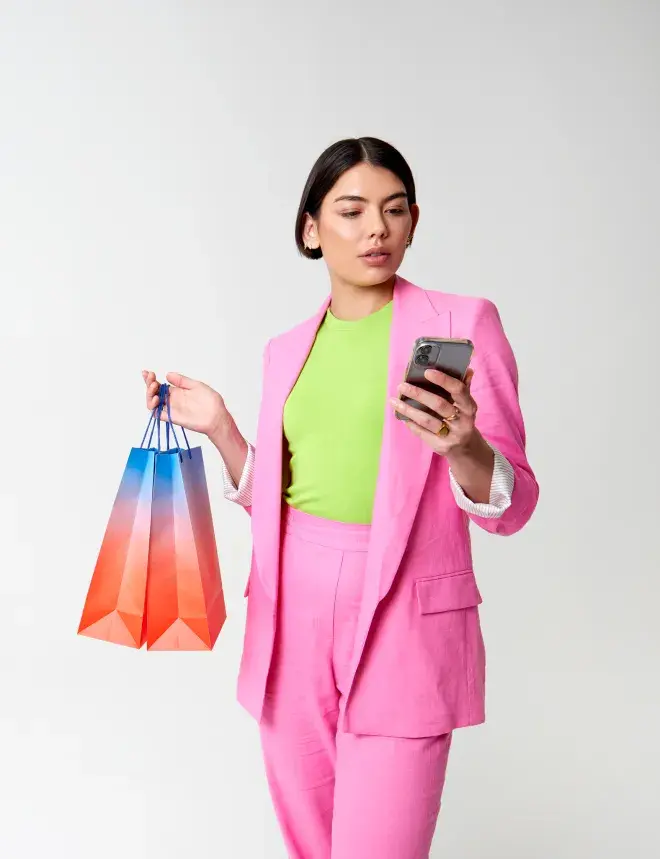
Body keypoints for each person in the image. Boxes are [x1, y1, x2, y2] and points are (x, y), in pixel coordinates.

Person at [142, 137, 539, 858]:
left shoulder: (461, 324)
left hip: (405, 623)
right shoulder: (286, 350)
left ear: (415, 222)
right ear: (310, 228)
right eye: (350, 211)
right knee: (310, 846)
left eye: (393, 211)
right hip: (289, 616)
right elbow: (285, 503)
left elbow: (513, 504)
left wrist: (464, 445)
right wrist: (221, 428)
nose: (375, 229)